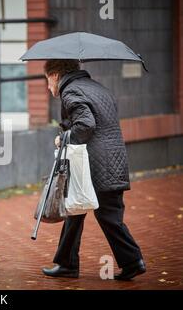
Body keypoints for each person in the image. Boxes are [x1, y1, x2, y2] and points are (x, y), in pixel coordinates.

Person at [42, 59, 146, 280]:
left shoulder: (71, 92)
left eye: (47, 80)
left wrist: (64, 137)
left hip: (93, 165)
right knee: (86, 212)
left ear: (55, 75)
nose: (48, 86)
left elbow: (86, 125)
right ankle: (70, 264)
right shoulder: (98, 88)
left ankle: (131, 260)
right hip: (114, 159)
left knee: (97, 213)